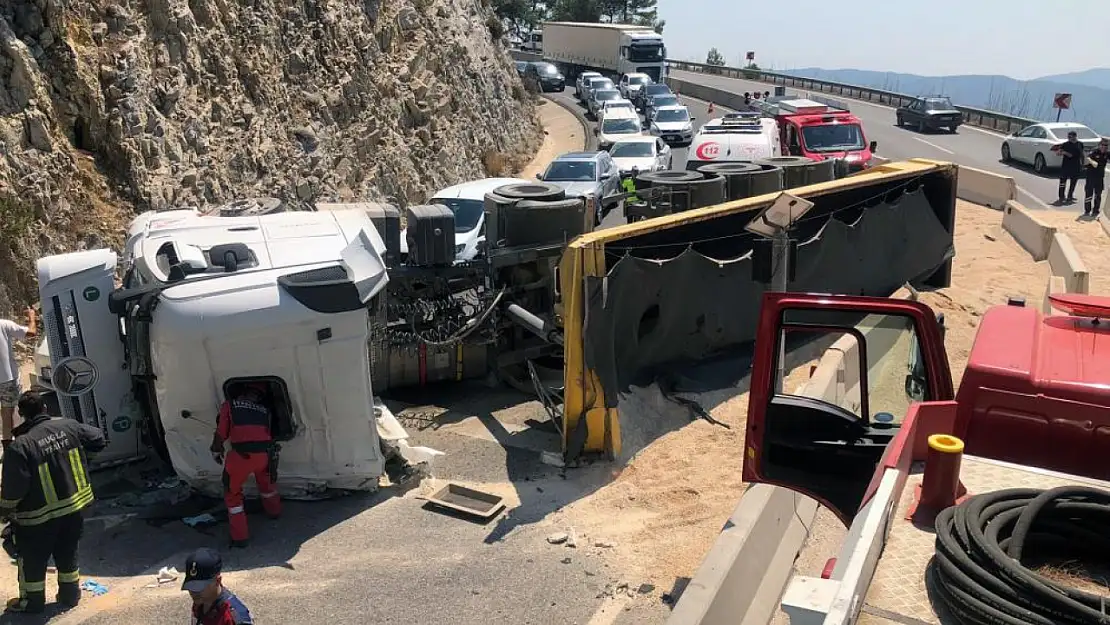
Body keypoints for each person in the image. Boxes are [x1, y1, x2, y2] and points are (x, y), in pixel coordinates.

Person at [0, 391, 105, 613]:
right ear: (45, 409)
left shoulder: (21, 446)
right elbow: (98, 438)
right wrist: (87, 461)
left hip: (38, 517)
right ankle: (70, 595)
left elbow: (13, 491)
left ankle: (33, 603)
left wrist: (4, 512)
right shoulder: (69, 427)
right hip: (74, 508)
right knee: (68, 552)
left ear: (20, 414)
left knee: (33, 561)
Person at [211, 382, 281, 548]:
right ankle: (274, 512)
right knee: (267, 486)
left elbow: (221, 432)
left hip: (241, 457)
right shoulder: (265, 411)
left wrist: (215, 449)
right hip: (264, 456)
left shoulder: (230, 405)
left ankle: (240, 537)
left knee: (233, 493)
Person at [182, 547, 253, 624]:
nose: (193, 591)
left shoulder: (235, 617)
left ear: (217, 581)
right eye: (191, 585)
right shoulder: (199, 603)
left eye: (199, 587)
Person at [1, 307, 37, 452]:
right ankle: (19, 448)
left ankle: (8, 448)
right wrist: (32, 316)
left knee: (5, 414)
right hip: (7, 378)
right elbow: (31, 332)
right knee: (13, 413)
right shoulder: (3, 324)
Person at [1052, 130, 1084, 204]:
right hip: (1066, 165)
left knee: (1073, 182)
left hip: (1075, 165)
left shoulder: (1080, 144)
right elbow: (1059, 152)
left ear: (1075, 137)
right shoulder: (1065, 144)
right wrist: (1059, 152)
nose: (1069, 138)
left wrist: (1082, 164)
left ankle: (1070, 196)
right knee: (1062, 182)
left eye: (1070, 137)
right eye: (1068, 137)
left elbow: (1080, 154)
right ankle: (1061, 196)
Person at [1083, 137, 1109, 217]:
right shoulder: (1094, 152)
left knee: (1098, 194)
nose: (1104, 147)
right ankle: (1087, 211)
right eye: (1103, 145)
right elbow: (1087, 158)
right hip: (1091, 176)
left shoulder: (1106, 154)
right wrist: (1092, 161)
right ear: (1099, 145)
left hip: (1100, 177)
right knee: (1089, 194)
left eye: (1106, 145)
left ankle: (1095, 210)